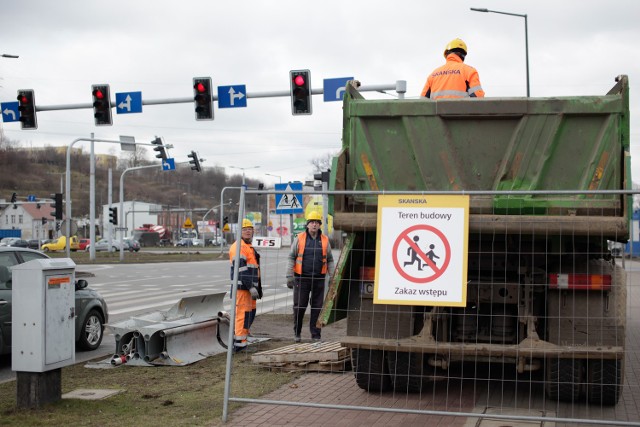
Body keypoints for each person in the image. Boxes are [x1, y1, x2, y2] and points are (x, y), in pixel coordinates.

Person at [286, 211, 335, 342]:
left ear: (319, 225)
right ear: (307, 225)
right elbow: (291, 257)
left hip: (319, 279)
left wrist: (332, 277)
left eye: (317, 222)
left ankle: (316, 335)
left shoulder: (325, 240)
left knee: (317, 309)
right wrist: (289, 276)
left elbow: (330, 259)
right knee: (299, 307)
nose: (314, 225)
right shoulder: (300, 238)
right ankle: (297, 332)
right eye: (312, 222)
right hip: (301, 279)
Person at [229, 218, 262, 353]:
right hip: (243, 289)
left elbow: (255, 269)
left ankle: (242, 340)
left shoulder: (248, 247)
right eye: (245, 229)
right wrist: (251, 287)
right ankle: (239, 345)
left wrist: (256, 287)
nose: (248, 231)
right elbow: (241, 269)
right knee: (242, 316)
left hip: (249, 289)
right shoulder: (239, 247)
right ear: (239, 232)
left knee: (250, 314)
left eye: (250, 229)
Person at [421, 38, 485, 100]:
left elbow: (422, 102)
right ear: (463, 55)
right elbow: (478, 98)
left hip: (438, 111)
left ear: (446, 54)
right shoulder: (469, 71)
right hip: (462, 110)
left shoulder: (433, 74)